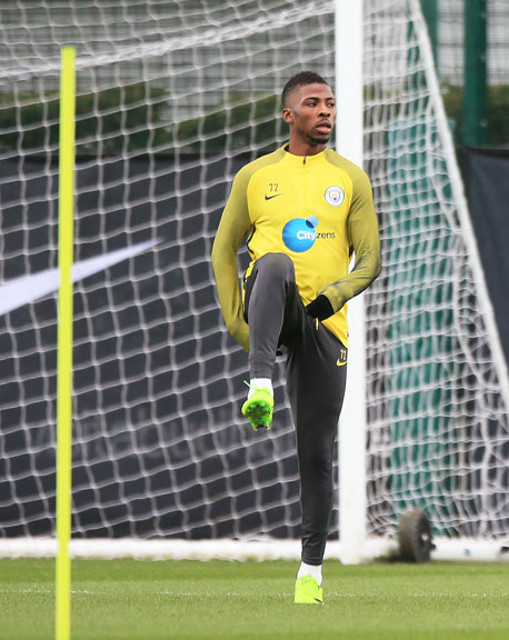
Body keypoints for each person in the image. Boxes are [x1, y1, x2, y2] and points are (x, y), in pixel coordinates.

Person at [210, 70, 381, 605]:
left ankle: (310, 570)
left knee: (316, 453)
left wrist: (336, 294)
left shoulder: (351, 178)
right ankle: (258, 381)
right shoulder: (255, 176)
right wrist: (239, 326)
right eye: (313, 104)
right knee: (276, 263)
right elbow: (223, 251)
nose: (325, 111)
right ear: (290, 116)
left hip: (324, 324)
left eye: (330, 103)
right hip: (272, 306)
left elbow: (371, 260)